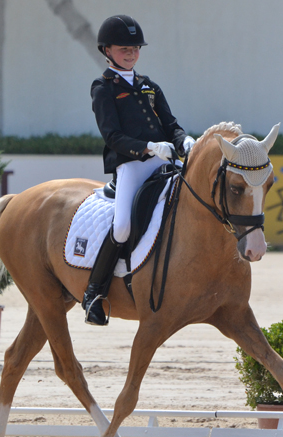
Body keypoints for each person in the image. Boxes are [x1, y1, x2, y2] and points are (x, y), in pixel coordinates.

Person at [83, 14, 195, 326]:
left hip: (166, 160)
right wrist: (147, 147)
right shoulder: (103, 87)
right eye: (123, 48)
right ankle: (94, 293)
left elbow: (170, 125)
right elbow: (112, 136)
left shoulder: (150, 86)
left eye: (135, 48)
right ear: (107, 50)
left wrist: (182, 139)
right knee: (121, 228)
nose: (131, 53)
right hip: (132, 164)